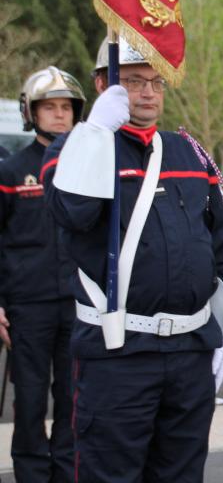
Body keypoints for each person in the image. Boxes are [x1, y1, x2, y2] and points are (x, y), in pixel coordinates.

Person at [42, 38, 223, 482]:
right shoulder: (73, 149)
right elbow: (72, 212)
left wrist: (221, 326)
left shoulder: (190, 152)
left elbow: (217, 245)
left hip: (188, 351)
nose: (147, 92)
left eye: (155, 82)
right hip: (118, 355)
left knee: (182, 474)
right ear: (103, 84)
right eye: (132, 82)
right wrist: (95, 133)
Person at [0, 66, 85, 482]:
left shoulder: (88, 168)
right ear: (31, 113)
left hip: (78, 304)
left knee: (73, 399)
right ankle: (32, 473)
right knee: (31, 400)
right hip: (27, 306)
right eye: (49, 107)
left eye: (66, 107)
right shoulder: (11, 171)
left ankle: (67, 473)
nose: (59, 114)